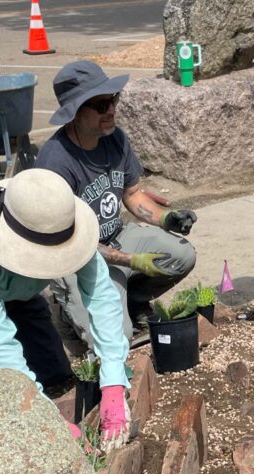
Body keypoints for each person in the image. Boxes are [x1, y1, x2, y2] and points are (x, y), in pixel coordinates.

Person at [0, 170, 130, 450]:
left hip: (19, 293)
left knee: (55, 376)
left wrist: (113, 381)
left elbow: (101, 296)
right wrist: (47, 422)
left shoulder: (60, 216)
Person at [34, 61, 197, 344]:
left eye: (113, 100)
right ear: (75, 112)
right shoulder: (55, 163)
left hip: (115, 239)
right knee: (117, 340)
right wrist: (131, 260)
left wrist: (167, 218)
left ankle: (132, 300)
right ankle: (67, 308)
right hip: (76, 258)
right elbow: (69, 241)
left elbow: (132, 194)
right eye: (100, 105)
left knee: (182, 255)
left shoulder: (116, 139)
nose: (111, 110)